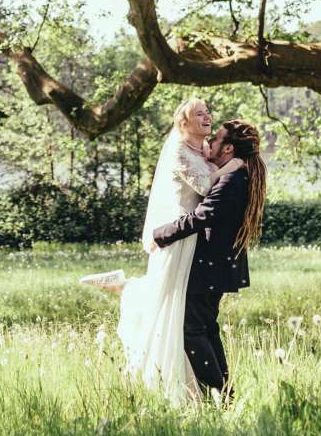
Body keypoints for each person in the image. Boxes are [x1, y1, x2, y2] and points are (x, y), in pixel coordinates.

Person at [79, 99, 243, 405]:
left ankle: (125, 285)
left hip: (194, 240)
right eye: (199, 113)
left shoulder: (202, 149)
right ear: (184, 123)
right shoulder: (179, 151)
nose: (207, 115)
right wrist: (232, 166)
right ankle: (126, 287)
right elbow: (205, 186)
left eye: (207, 111)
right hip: (180, 235)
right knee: (166, 298)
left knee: (178, 306)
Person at [152, 119, 267, 401]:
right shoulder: (236, 174)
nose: (210, 142)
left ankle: (219, 395)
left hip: (210, 268)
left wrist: (161, 234)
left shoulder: (232, 179)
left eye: (216, 139)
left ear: (228, 148)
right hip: (216, 267)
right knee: (206, 328)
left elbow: (202, 216)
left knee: (192, 330)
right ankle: (224, 395)